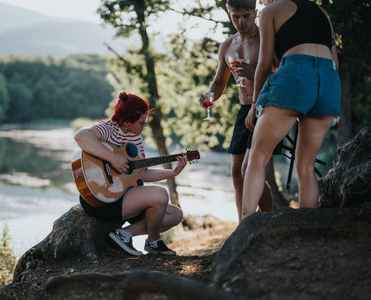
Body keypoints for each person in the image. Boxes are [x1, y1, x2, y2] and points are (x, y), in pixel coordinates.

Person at [242, 0, 341, 219]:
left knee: (257, 158)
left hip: (296, 74)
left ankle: (244, 228)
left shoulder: (270, 11)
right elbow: (335, 61)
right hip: (328, 80)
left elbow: (264, 64)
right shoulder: (322, 13)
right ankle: (306, 231)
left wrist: (256, 105)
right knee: (306, 167)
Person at [74, 91, 188, 256]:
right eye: (142, 122)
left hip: (125, 197)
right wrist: (113, 158)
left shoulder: (136, 138)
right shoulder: (108, 128)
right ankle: (153, 242)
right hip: (101, 199)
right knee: (161, 194)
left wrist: (172, 172)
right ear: (127, 122)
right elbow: (81, 136)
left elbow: (143, 174)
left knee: (175, 215)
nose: (145, 126)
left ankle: (126, 233)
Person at [199, 0, 273, 221]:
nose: (241, 22)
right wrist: (209, 97)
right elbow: (219, 83)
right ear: (229, 14)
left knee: (248, 170)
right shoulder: (227, 46)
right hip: (244, 109)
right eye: (235, 17)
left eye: (246, 16)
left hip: (267, 107)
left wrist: (256, 74)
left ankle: (270, 219)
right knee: (236, 171)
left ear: (255, 13)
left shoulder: (265, 39)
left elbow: (281, 74)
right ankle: (243, 225)